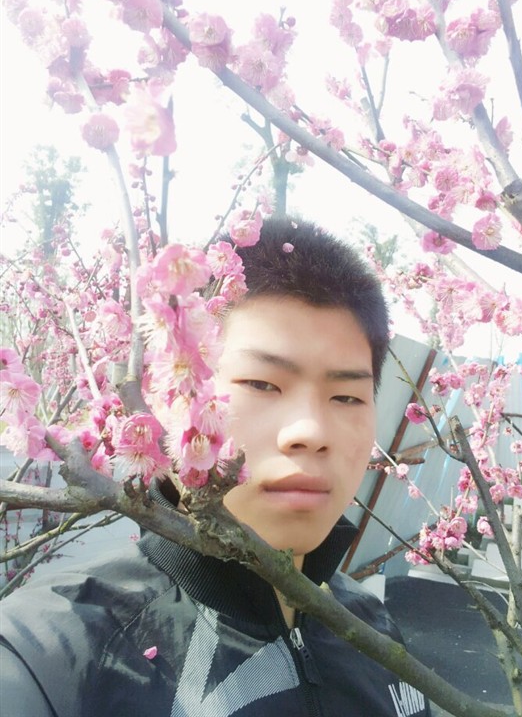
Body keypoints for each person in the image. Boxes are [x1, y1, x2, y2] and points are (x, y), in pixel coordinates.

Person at [0, 217, 431, 717]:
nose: (311, 431)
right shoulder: (51, 654)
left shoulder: (374, 631)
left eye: (347, 396)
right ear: (165, 396)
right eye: (261, 384)